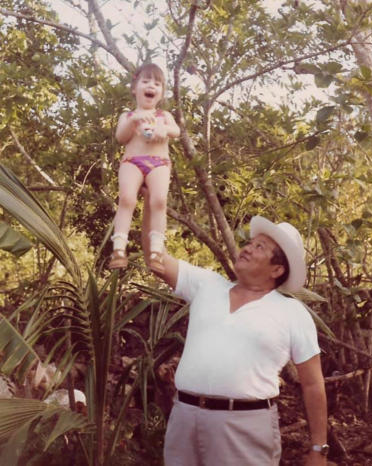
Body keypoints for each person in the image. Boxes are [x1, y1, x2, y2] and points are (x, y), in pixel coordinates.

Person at [148, 215, 328, 466]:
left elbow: (313, 384)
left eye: (260, 247)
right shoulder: (208, 286)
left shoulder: (292, 313)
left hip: (244, 427)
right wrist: (152, 202)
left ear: (277, 270)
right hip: (184, 419)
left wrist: (319, 448)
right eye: (251, 243)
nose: (247, 248)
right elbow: (155, 259)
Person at [109, 63, 180, 272]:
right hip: (132, 161)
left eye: (157, 83)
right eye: (146, 81)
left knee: (159, 201)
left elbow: (176, 131)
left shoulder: (163, 115)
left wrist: (163, 129)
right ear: (135, 88)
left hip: (159, 163)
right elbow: (121, 137)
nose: (151, 86)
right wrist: (134, 121)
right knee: (126, 199)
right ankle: (119, 248)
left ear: (161, 92)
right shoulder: (128, 116)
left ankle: (157, 250)